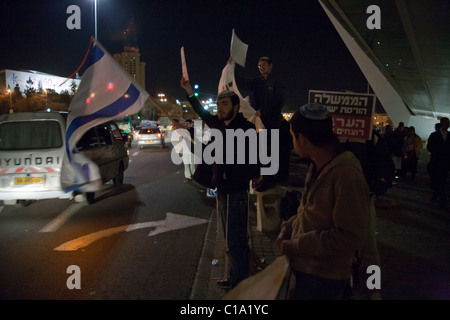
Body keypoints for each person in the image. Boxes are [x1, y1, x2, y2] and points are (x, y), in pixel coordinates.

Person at [276, 103, 370, 300]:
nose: (293, 142)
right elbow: (310, 211)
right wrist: (288, 227)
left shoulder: (346, 175)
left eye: (293, 137)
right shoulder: (317, 166)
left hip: (324, 279)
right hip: (306, 269)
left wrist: (297, 245)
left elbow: (349, 236)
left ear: (302, 138)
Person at [180, 76, 260, 289]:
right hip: (223, 192)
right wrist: (189, 90)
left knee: (236, 242)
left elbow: (251, 161)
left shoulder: (245, 129)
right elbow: (202, 112)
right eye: (218, 104)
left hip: (236, 193)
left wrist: (228, 171)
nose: (219, 108)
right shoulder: (218, 124)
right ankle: (235, 278)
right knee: (229, 241)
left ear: (236, 106)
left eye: (224, 104)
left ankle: (240, 285)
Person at [231, 56, 285, 192]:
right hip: (259, 122)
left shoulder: (276, 82)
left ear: (270, 66)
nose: (262, 67)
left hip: (272, 122)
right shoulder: (257, 82)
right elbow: (241, 82)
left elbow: (279, 101)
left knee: (270, 151)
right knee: (262, 151)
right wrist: (232, 67)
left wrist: (264, 111)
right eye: (259, 65)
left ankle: (270, 180)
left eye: (264, 65)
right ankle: (265, 178)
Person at [426, 117, 450, 208]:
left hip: (445, 163)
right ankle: (438, 195)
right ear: (442, 124)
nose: (447, 125)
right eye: (446, 123)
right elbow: (429, 147)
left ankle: (441, 197)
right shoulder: (434, 135)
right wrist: (437, 151)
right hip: (436, 162)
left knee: (442, 180)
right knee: (436, 180)